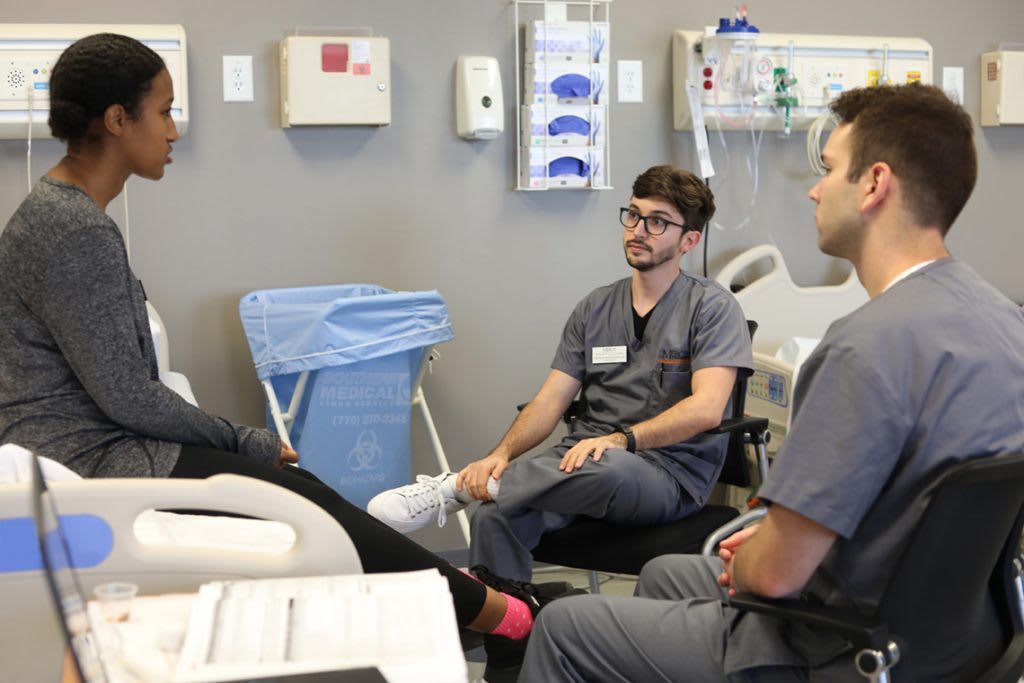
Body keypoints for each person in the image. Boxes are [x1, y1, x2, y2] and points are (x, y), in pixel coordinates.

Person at [0, 33, 575, 671]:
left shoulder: (64, 216)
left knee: (304, 494)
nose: (174, 131)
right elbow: (128, 395)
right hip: (89, 457)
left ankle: (488, 610)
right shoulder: (73, 229)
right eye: (163, 111)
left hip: (92, 439)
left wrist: (239, 441)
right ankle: (504, 616)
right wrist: (243, 439)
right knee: (305, 506)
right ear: (116, 120)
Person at [518, 83, 1024, 682]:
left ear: (874, 184)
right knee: (666, 574)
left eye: (829, 169)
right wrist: (768, 537)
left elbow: (773, 576)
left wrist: (760, 552)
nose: (815, 188)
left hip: (834, 643)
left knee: (563, 626)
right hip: (959, 636)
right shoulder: (1004, 322)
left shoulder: (862, 347)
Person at [369, 164, 754, 582]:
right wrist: (499, 456)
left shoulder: (712, 308)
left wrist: (620, 440)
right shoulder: (595, 307)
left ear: (689, 241)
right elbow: (550, 401)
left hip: (665, 474)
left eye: (658, 222)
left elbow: (707, 409)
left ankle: (453, 488)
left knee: (610, 466)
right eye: (634, 214)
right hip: (578, 463)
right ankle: (510, 639)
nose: (639, 229)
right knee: (494, 517)